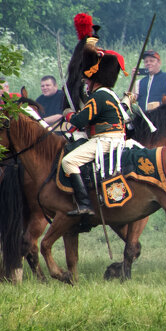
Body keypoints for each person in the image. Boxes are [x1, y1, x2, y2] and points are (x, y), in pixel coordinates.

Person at [59, 52, 130, 216]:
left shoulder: (98, 96)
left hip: (105, 140)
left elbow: (78, 121)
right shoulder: (109, 94)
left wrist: (68, 113)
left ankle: (85, 204)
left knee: (68, 161)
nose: (86, 82)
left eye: (89, 79)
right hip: (115, 139)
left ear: (95, 79)